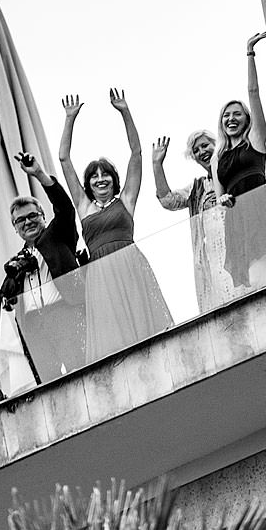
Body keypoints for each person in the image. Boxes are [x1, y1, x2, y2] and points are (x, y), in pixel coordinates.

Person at [56, 89, 175, 362]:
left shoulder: (126, 201)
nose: (100, 179)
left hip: (130, 264)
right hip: (100, 274)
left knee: (141, 322)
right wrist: (70, 119)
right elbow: (64, 159)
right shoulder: (84, 207)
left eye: (105, 174)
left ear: (113, 179)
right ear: (88, 184)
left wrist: (124, 111)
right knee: (112, 330)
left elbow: (136, 152)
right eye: (94, 177)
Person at [215, 33, 266, 289]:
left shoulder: (256, 141)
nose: (231, 118)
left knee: (260, 280)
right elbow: (219, 197)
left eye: (237, 114)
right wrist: (223, 199)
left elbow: (253, 92)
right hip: (238, 220)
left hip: (259, 210)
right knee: (256, 282)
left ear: (246, 119)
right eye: (227, 115)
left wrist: (250, 53)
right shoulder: (219, 158)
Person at [1, 151, 84, 379]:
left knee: (82, 371)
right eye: (20, 220)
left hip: (64, 313)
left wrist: (38, 173)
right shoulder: (16, 261)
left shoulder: (57, 235)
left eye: (32, 216)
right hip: (34, 326)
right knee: (49, 384)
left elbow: (65, 208)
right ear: (14, 227)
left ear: (43, 216)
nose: (27, 222)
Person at [155, 130, 241, 314]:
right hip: (213, 258)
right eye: (196, 150)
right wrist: (157, 165)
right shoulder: (197, 187)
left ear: (216, 144)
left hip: (240, 248)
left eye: (205, 145)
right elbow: (168, 201)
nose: (202, 151)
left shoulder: (233, 171)